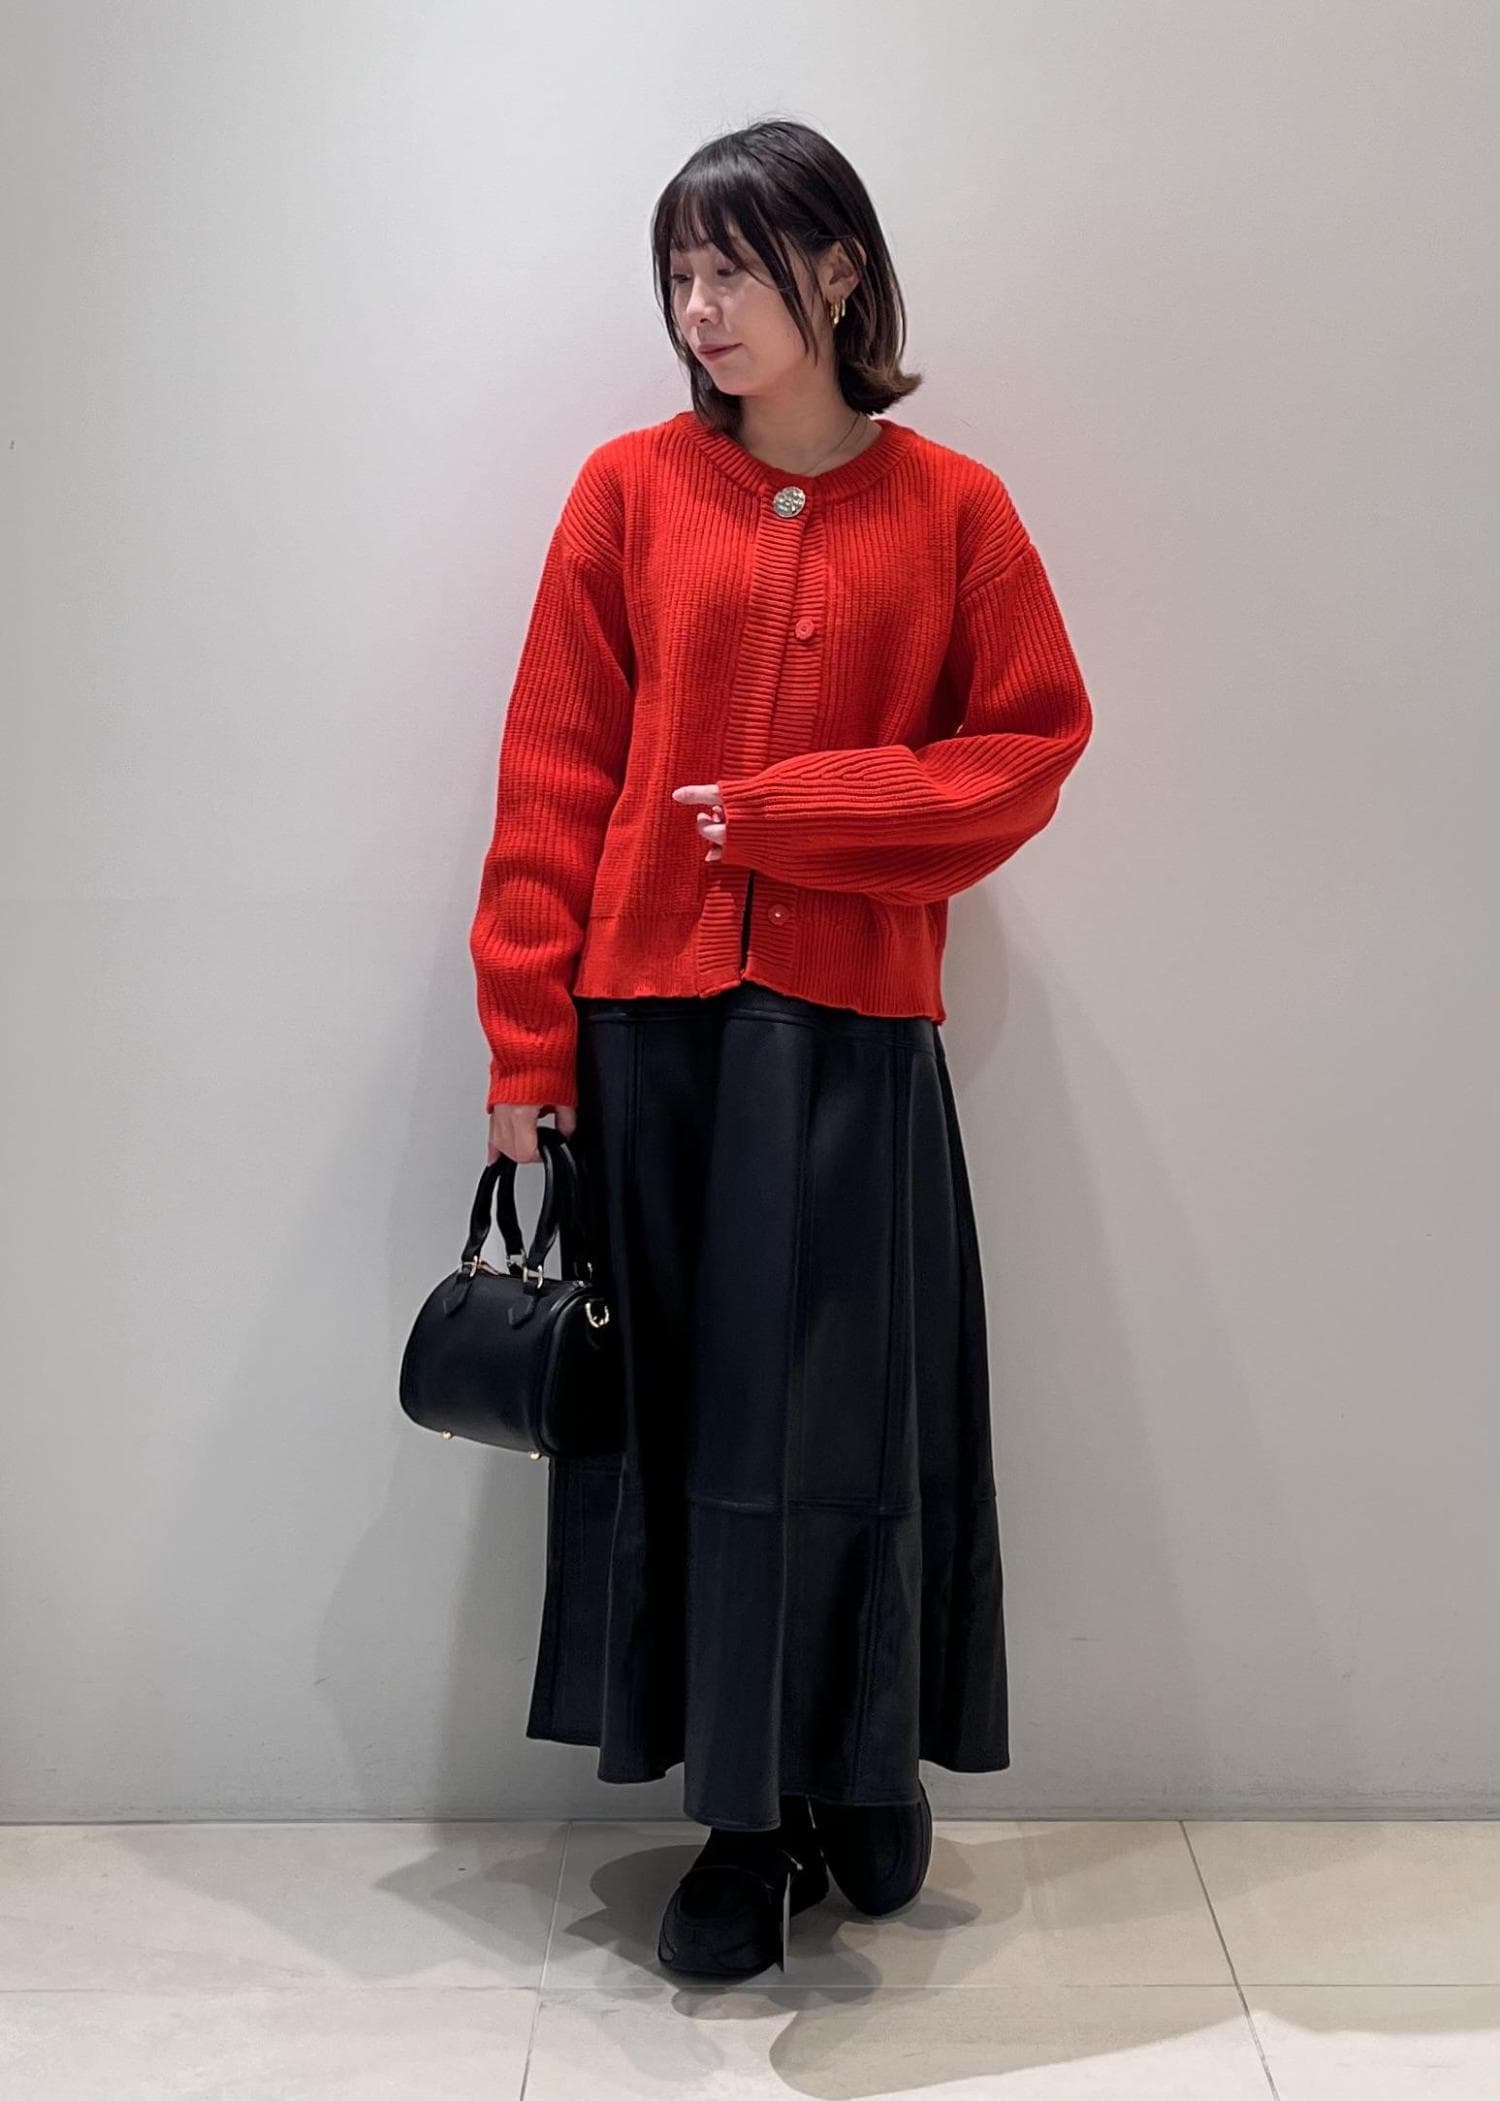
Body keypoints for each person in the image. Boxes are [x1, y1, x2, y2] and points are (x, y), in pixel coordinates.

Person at [468, 118, 1093, 1979]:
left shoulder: (956, 510)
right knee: (697, 1434)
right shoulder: (627, 492)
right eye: (678, 273)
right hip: (653, 1035)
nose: (698, 307)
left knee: (849, 1419)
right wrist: (526, 1043)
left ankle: (857, 1761)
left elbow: (1030, 744)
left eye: (731, 267)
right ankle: (742, 1824)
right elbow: (555, 771)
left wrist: (806, 814)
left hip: (851, 1037)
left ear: (837, 270)